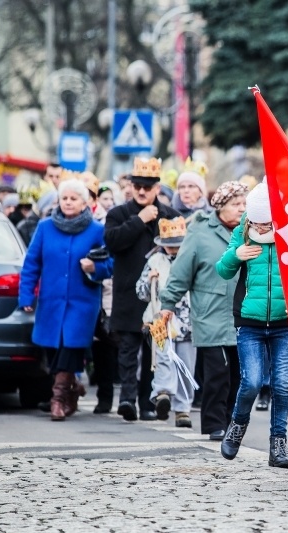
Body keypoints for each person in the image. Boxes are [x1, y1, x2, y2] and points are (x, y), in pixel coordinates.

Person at [18, 179, 113, 420]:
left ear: (84, 204)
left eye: (74, 198)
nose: (68, 202)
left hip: (82, 302)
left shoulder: (96, 230)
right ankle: (72, 388)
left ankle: (58, 399)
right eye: (64, 198)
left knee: (70, 347)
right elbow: (31, 264)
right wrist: (26, 295)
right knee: (53, 351)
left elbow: (111, 263)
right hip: (51, 301)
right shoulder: (45, 227)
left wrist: (95, 267)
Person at [216, 182, 288, 468]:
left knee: (282, 386)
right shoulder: (241, 233)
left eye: (267, 224)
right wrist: (236, 256)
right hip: (249, 321)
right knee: (250, 382)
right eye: (257, 224)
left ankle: (279, 444)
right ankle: (236, 428)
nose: (262, 230)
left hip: (284, 322)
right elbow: (223, 271)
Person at [160, 181, 246, 440]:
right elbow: (181, 272)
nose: (242, 209)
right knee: (218, 372)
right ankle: (213, 423)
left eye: (245, 204)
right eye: (236, 204)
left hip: (244, 313)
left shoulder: (252, 231)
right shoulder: (200, 232)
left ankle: (234, 423)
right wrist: (168, 303)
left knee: (241, 375)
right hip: (211, 313)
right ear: (220, 206)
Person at [104, 157, 181, 422]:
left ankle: (148, 402)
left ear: (157, 188)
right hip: (128, 294)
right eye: (137, 185)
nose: (141, 190)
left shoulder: (171, 216)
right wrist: (139, 220)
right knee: (127, 351)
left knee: (154, 350)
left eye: (147, 186)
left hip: (159, 301)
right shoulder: (118, 214)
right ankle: (127, 400)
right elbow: (113, 243)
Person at [136, 216, 195, 427]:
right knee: (162, 359)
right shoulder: (154, 261)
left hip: (187, 321)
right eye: (169, 245)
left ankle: (183, 409)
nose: (173, 249)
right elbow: (141, 293)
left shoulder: (191, 260)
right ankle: (162, 393)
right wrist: (149, 280)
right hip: (161, 320)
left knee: (186, 364)